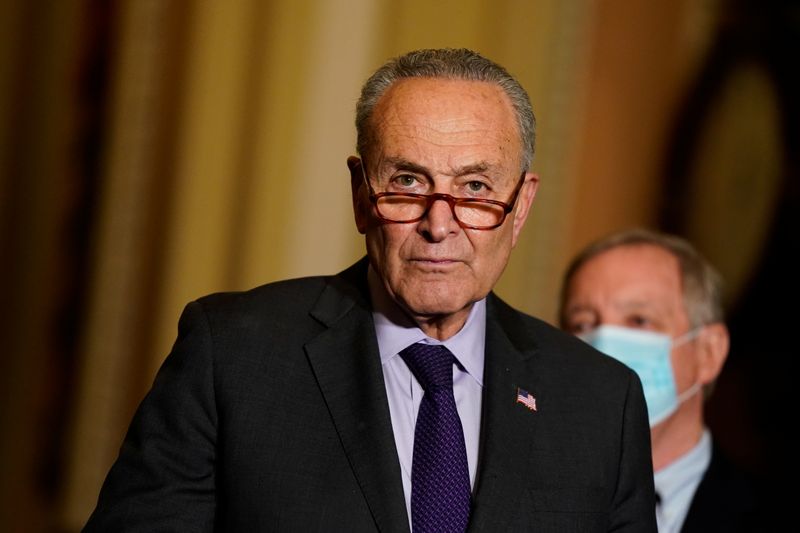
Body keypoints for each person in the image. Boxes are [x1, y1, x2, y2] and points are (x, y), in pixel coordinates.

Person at [85, 48, 656, 532]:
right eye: (407, 182)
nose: (439, 224)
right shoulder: (233, 356)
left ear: (521, 205)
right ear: (361, 194)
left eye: (476, 188)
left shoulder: (601, 402)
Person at [559, 228, 764, 532]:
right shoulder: (522, 495)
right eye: (582, 324)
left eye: (639, 320)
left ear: (708, 352)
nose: (602, 350)